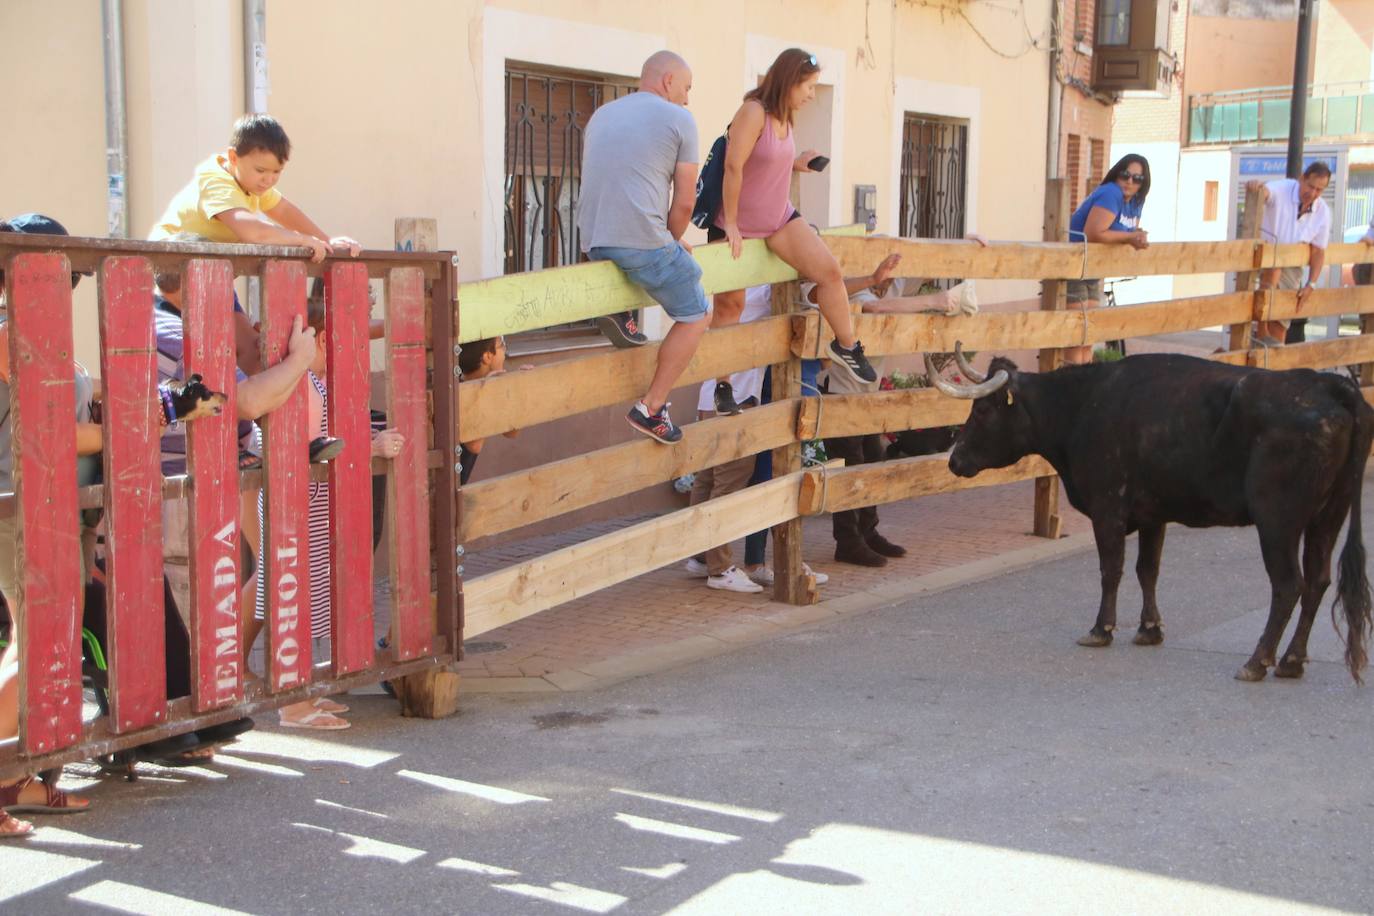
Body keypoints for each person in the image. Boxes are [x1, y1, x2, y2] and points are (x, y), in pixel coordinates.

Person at [252, 281, 404, 730]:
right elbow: (298, 444)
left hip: (308, 499)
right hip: (293, 498)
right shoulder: (299, 379)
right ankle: (293, 704)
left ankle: (304, 691)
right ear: (319, 337)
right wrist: (368, 447)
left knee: (308, 592)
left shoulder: (309, 378)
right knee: (290, 594)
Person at [708, 48, 876, 415]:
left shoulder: (786, 119)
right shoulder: (753, 112)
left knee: (829, 271)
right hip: (738, 225)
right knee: (729, 308)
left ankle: (847, 344)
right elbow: (734, 167)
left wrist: (796, 165)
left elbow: (766, 161)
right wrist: (732, 223)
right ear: (789, 80)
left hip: (777, 219)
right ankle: (722, 387)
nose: (812, 95)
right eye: (809, 87)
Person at [0, 214, 98, 835]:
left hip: (30, 503)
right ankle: (8, 779)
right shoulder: (15, 336)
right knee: (29, 644)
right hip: (19, 505)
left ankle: (20, 778)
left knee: (30, 641)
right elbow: (56, 428)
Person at [149, 113, 362, 374]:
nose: (268, 179)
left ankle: (256, 411)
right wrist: (300, 239)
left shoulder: (252, 185)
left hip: (211, 277)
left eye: (277, 172)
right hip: (171, 279)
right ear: (233, 158)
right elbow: (250, 230)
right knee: (197, 356)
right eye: (261, 170)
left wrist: (327, 241)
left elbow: (283, 210)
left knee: (249, 347)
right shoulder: (215, 181)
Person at [812, 252, 981, 567]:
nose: (893, 275)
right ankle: (847, 541)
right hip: (840, 395)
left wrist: (968, 243)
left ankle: (868, 532)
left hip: (870, 395)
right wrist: (940, 300)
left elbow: (927, 264)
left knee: (873, 461)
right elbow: (875, 309)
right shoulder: (852, 291)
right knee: (850, 468)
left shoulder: (895, 283)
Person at [578, 51, 708, 445]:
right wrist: (668, 238)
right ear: (668, 81)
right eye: (686, 88)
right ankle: (651, 408)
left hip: (595, 242)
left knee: (641, 265)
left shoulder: (602, 114)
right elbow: (685, 203)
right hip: (641, 246)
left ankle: (621, 314)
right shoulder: (680, 119)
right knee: (696, 314)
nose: (687, 98)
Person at [680, 286, 828, 592]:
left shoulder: (718, 279)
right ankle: (719, 568)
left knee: (707, 480)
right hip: (737, 398)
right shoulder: (756, 285)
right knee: (729, 484)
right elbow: (808, 293)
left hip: (712, 396)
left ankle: (700, 557)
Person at [1065, 154, 1151, 365]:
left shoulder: (1135, 201)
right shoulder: (1111, 193)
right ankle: (1072, 386)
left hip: (1093, 267)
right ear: (1117, 174)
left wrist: (1136, 236)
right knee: (1077, 334)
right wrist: (1131, 237)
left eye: (1137, 178)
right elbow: (1094, 232)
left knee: (1089, 335)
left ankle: (1084, 386)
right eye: (1125, 175)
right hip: (1074, 263)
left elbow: (1124, 232)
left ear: (1143, 183)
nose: (1130, 181)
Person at [1246, 161, 1332, 346]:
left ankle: (1272, 358)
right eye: (1310, 186)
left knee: (1281, 322)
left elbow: (1318, 251)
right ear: (1302, 179)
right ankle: (1261, 335)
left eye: (1319, 190)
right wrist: (1258, 187)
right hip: (1265, 259)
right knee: (1270, 284)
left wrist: (1312, 283)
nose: (1313, 193)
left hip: (1292, 266)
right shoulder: (1283, 188)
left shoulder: (1323, 211)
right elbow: (1267, 192)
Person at [458, 337, 522, 484]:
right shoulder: (460, 389)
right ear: (487, 356)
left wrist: (518, 388)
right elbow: (474, 445)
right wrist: (489, 391)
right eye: (502, 346)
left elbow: (511, 432)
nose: (505, 351)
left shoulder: (486, 384)